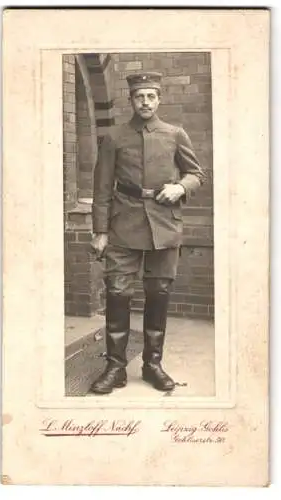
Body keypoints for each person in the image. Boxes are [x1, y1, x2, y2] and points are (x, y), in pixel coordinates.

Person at [90, 71, 205, 394]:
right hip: (123, 225)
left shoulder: (175, 134)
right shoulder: (114, 137)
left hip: (165, 226)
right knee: (118, 293)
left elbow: (197, 173)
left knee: (158, 295)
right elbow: (101, 188)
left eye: (151, 96)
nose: (145, 101)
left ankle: (152, 364)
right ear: (131, 100)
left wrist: (180, 187)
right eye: (139, 96)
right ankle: (115, 367)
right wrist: (100, 231)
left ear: (159, 99)